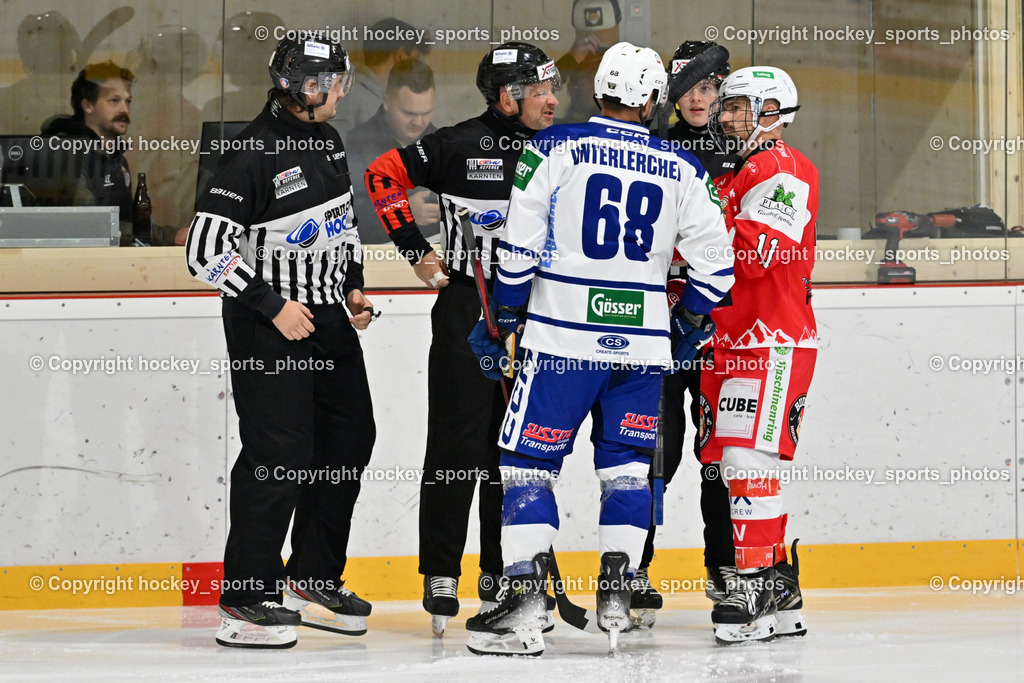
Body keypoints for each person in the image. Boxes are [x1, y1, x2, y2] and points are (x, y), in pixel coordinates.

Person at [464, 42, 735, 657]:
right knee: (627, 471)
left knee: (528, 468)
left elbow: (517, 247)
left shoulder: (554, 146)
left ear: (600, 90)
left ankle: (525, 605)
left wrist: (505, 315)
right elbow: (718, 268)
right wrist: (688, 319)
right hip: (642, 347)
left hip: (561, 339)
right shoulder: (683, 168)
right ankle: (617, 587)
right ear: (652, 100)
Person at [185, 36, 376, 650]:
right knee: (279, 451)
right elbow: (202, 252)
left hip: (328, 320)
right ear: (304, 85)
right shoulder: (250, 152)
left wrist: (351, 289)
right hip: (270, 324)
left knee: (350, 437)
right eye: (333, 81)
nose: (342, 91)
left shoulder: (327, 139)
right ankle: (245, 598)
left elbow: (338, 226)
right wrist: (272, 306)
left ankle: (310, 578)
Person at [364, 41, 560, 638]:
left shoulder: (564, 148)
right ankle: (441, 573)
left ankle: (508, 577)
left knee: (519, 453)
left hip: (539, 313)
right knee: (455, 445)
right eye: (540, 90)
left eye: (555, 88)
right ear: (507, 96)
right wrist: (415, 252)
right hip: (466, 308)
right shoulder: (454, 143)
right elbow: (381, 177)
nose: (553, 100)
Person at [701, 65, 818, 644]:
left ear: (772, 110)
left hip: (771, 338)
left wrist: (693, 233)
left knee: (751, 465)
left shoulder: (784, 168)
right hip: (737, 336)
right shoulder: (742, 172)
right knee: (741, 465)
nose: (725, 117)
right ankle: (774, 583)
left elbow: (757, 255)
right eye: (725, 107)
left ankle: (750, 582)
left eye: (737, 107)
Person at [632, 40, 737, 627]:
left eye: (709, 86)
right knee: (655, 449)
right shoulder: (651, 151)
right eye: (689, 86)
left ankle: (727, 570)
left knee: (721, 454)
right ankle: (636, 568)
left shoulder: (737, 153)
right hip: (658, 326)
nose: (699, 98)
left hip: (719, 327)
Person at [40, 61, 135, 245]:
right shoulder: (65, 153)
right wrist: (157, 234)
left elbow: (128, 222)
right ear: (88, 105)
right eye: (114, 101)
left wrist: (168, 235)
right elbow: (87, 224)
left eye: (128, 101)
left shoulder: (117, 159)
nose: (125, 109)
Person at [347, 59, 438, 244]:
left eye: (426, 113)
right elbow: (349, 212)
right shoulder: (359, 141)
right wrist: (402, 211)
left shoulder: (439, 142)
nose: (419, 122)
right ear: (387, 102)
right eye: (409, 113)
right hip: (379, 253)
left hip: (436, 250)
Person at [330, 17, 428, 137]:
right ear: (401, 55)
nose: (418, 67)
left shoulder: (357, 94)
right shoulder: (355, 97)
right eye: (416, 58)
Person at [554, 0, 621, 123]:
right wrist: (570, 60)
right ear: (573, 88)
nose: (601, 85)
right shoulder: (557, 132)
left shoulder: (636, 127)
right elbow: (529, 94)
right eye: (592, 76)